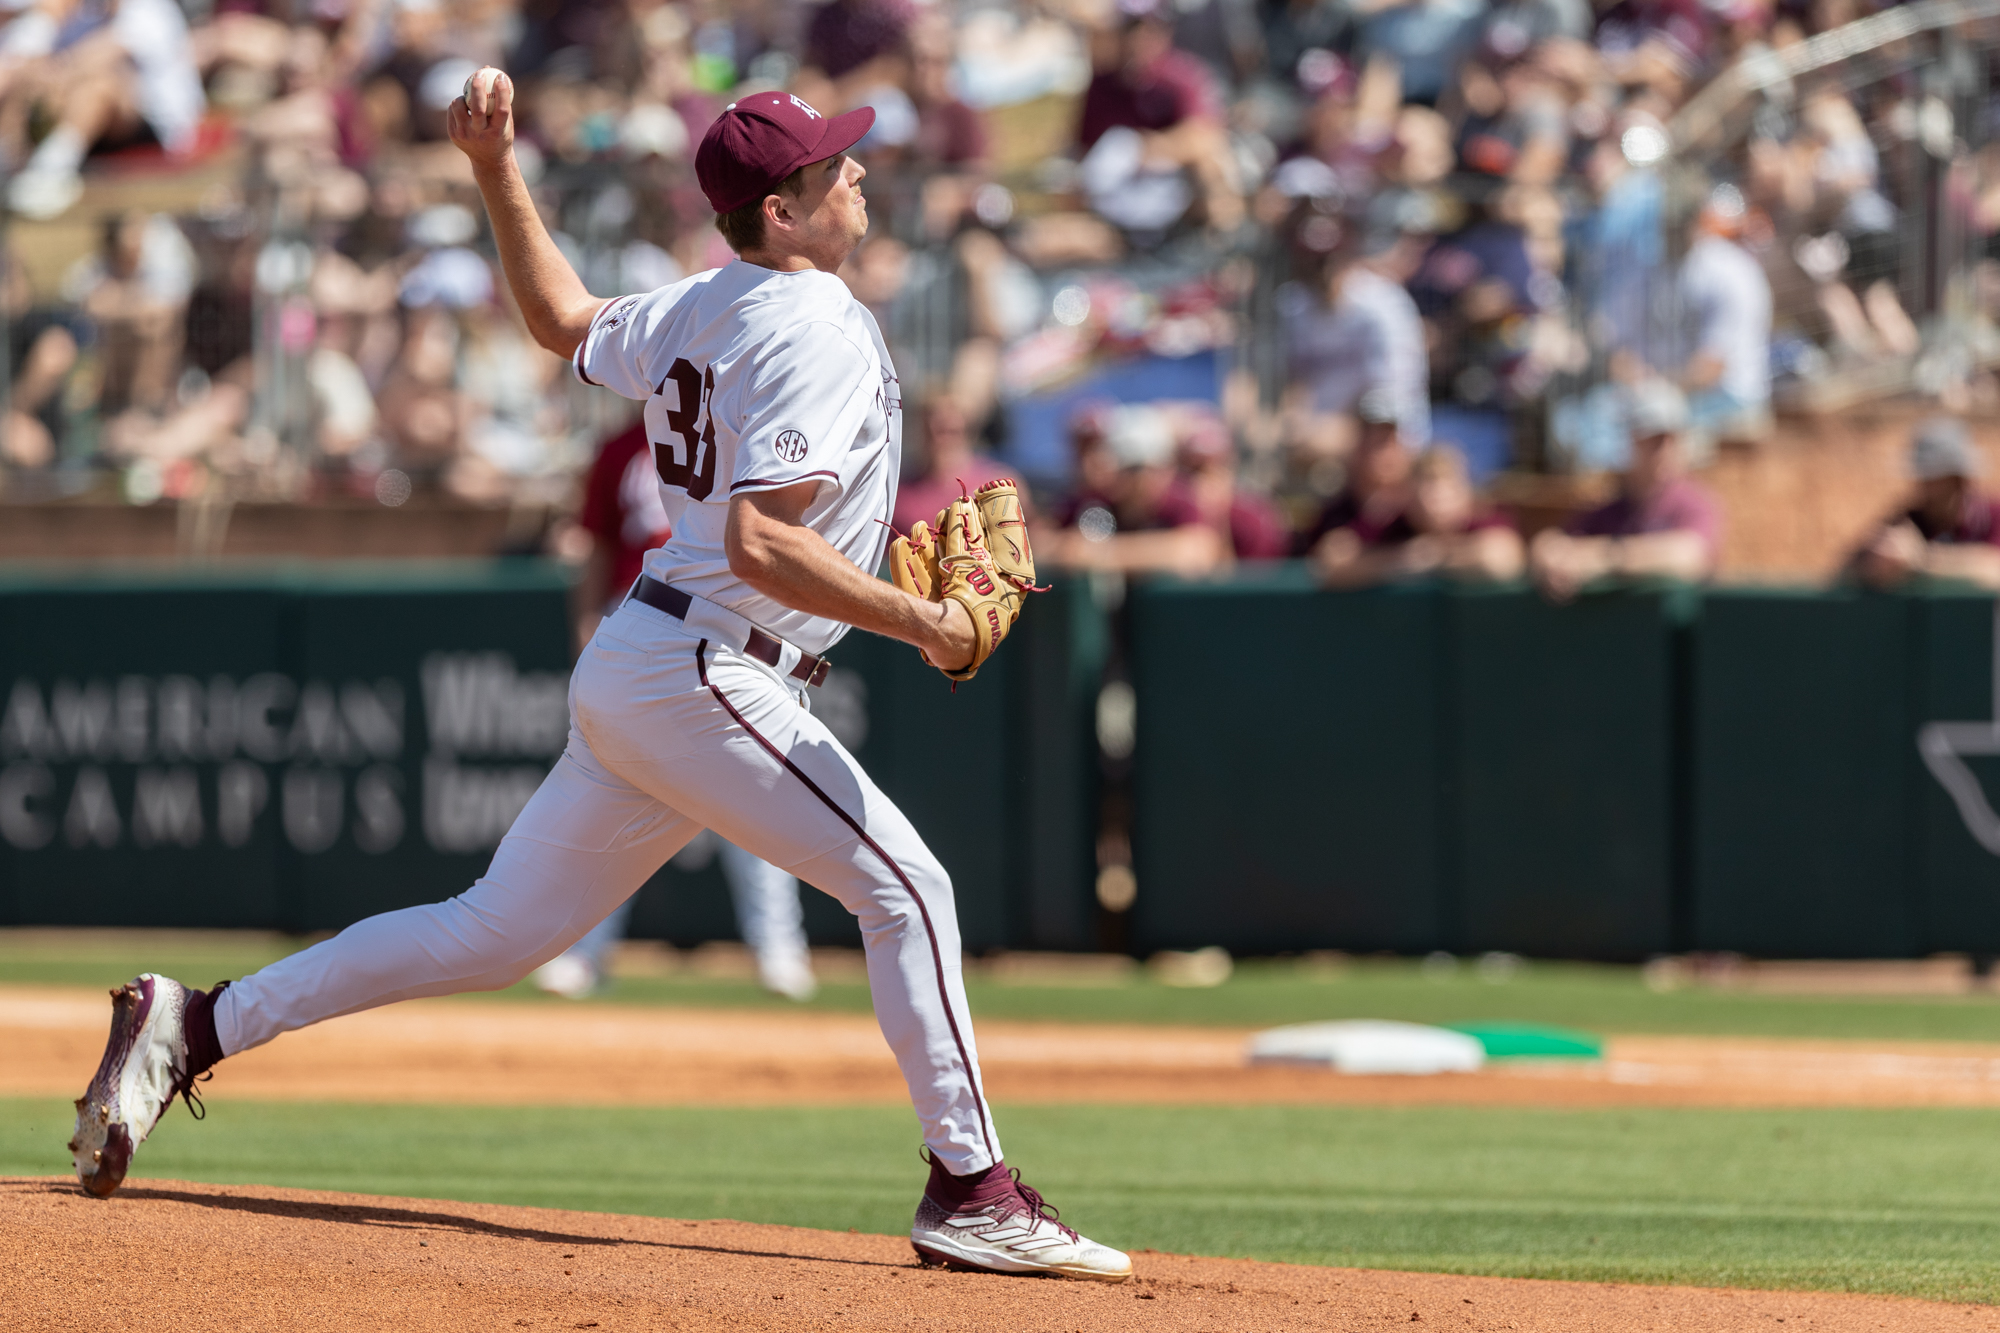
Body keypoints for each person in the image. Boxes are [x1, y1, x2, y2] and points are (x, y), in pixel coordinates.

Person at [69, 72, 1132, 1284]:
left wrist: (492, 169)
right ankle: (973, 1189)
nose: (855, 174)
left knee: (489, 930)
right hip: (708, 665)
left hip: (657, 656)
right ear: (778, 213)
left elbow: (563, 320)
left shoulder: (702, 301)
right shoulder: (810, 319)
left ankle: (198, 1020)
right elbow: (762, 542)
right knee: (908, 889)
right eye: (831, 166)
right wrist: (930, 625)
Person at [533, 418, 819, 1002]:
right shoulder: (618, 448)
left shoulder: (737, 426)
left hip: (722, 626)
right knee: (617, 797)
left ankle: (779, 950)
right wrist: (589, 624)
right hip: (635, 618)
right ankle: (583, 952)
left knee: (753, 794)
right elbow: (599, 544)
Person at [1530, 380, 1721, 601]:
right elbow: (1553, 543)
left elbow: (1690, 557)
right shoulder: (1614, 508)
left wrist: (1606, 558)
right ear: (1632, 441)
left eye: (1673, 440)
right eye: (1654, 440)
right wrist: (1548, 557)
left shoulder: (1695, 503)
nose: (1665, 450)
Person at [1314, 444, 1524, 586]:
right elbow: (1332, 562)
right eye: (1427, 485)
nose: (1436, 499)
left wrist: (1437, 557)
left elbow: (1499, 560)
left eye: (1446, 487)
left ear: (1465, 493)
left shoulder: (1485, 521)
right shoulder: (1392, 525)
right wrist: (1399, 559)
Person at [1848, 416, 2000, 591]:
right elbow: (1848, 571)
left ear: (1959, 480)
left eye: (1935, 477)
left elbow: (1994, 570)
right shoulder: (1908, 520)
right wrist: (1875, 563)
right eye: (1922, 477)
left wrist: (1922, 559)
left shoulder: (1993, 515)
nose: (1925, 486)